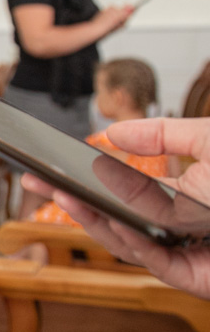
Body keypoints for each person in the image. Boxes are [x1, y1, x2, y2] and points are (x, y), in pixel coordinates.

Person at [6, 0, 136, 214]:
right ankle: (25, 246)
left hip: (69, 97)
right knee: (41, 188)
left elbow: (78, 35)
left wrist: (107, 24)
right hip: (43, 99)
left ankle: (40, 243)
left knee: (59, 188)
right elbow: (38, 41)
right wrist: (98, 26)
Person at [23, 117, 210, 300]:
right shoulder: (168, 155)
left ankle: (24, 283)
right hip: (158, 243)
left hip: (101, 246)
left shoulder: (102, 142)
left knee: (39, 221)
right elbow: (176, 191)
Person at [31, 58, 168, 229]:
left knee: (30, 224)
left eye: (99, 92)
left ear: (118, 97)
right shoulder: (166, 144)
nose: (96, 100)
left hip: (99, 225)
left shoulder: (103, 144)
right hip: (145, 223)